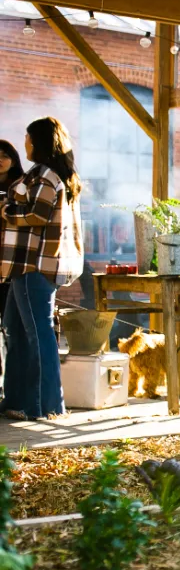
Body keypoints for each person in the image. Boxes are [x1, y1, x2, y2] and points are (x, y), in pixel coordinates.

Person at [0, 118, 84, 421]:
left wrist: (6, 211)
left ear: (39, 142)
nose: (24, 142)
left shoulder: (45, 175)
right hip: (22, 266)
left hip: (32, 266)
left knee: (39, 335)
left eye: (27, 137)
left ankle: (49, 406)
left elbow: (38, 214)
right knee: (17, 333)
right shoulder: (43, 174)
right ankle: (18, 402)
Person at [0, 141, 25, 381]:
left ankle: (13, 381)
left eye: (5, 155)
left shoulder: (21, 187)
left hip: (11, 263)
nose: (0, 159)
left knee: (10, 326)